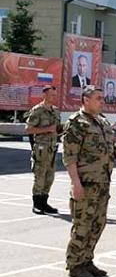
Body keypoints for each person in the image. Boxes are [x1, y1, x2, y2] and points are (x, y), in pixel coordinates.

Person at [62, 86, 116, 277]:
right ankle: (75, 264)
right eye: (98, 98)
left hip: (102, 182)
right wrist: (75, 183)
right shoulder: (76, 123)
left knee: (98, 224)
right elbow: (70, 157)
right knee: (82, 225)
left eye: (102, 98)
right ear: (85, 99)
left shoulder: (102, 121)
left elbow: (110, 149)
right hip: (85, 183)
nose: (102, 101)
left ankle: (87, 260)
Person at [24, 85, 61, 214]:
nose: (54, 97)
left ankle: (44, 202)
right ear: (44, 95)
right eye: (51, 95)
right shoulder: (37, 110)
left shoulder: (55, 111)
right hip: (41, 148)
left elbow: (57, 129)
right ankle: (36, 203)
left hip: (52, 148)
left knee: (50, 177)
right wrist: (47, 129)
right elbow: (28, 129)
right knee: (40, 176)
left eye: (55, 95)